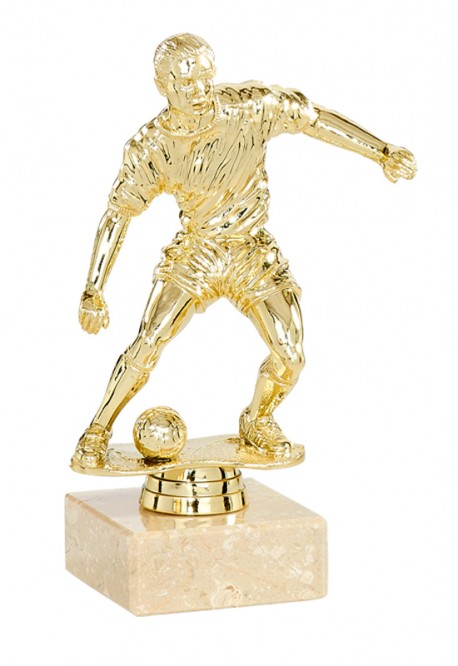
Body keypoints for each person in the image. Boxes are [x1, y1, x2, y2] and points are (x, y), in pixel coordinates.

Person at [72, 33, 416, 471]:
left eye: (205, 77)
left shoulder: (249, 109)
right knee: (150, 340)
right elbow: (118, 213)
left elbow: (312, 118)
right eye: (184, 83)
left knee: (291, 355)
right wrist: (93, 288)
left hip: (252, 251)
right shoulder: (153, 145)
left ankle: (258, 419)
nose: (198, 90)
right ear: (162, 85)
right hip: (197, 252)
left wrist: (382, 151)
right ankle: (97, 430)